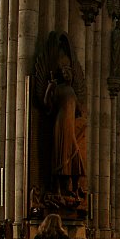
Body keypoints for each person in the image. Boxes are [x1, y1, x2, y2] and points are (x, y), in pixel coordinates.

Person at [44, 51, 86, 198]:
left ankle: (73, 187)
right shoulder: (59, 89)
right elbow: (47, 105)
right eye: (64, 72)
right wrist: (49, 88)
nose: (67, 75)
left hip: (70, 126)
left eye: (69, 72)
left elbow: (79, 111)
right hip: (61, 124)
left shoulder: (72, 91)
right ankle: (58, 188)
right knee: (60, 154)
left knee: (74, 155)